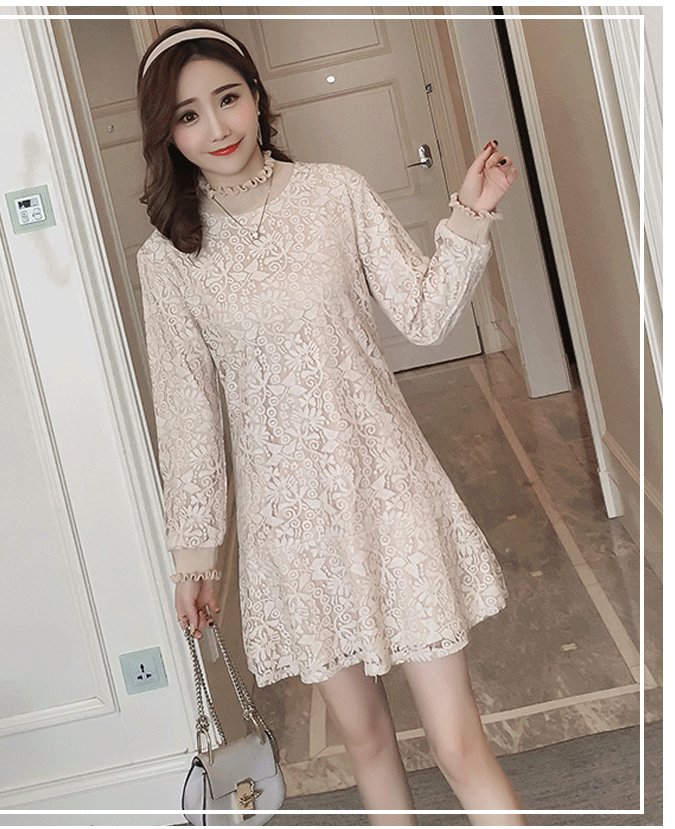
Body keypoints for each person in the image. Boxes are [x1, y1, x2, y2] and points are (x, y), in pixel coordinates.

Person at [136, 21, 526, 826]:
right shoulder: (167, 258)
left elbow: (424, 313)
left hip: (388, 489)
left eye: (228, 98)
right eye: (188, 115)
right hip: (292, 526)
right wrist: (194, 557)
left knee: (457, 739)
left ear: (256, 97)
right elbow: (188, 416)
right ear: (166, 133)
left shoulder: (334, 193)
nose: (217, 127)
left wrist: (468, 215)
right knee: (367, 741)